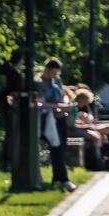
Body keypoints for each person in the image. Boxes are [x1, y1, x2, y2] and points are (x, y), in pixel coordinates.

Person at [38, 58, 73, 192]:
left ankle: (57, 179)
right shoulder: (39, 82)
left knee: (61, 148)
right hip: (48, 119)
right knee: (56, 148)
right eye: (54, 72)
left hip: (60, 117)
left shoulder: (56, 80)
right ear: (47, 69)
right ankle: (63, 179)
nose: (55, 75)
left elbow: (63, 94)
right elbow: (40, 102)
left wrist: (66, 103)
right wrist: (58, 105)